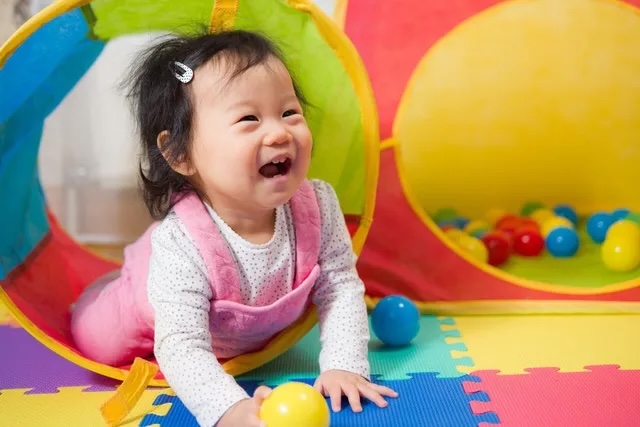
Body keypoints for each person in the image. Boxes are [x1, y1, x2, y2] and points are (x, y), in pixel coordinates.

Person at [70, 29, 397, 427]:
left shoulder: (318, 207)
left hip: (235, 332)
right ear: (179, 153)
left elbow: (340, 286)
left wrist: (345, 364)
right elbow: (182, 345)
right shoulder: (182, 244)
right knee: (94, 338)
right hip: (145, 308)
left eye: (289, 112)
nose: (279, 132)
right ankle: (102, 288)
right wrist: (227, 406)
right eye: (248, 118)